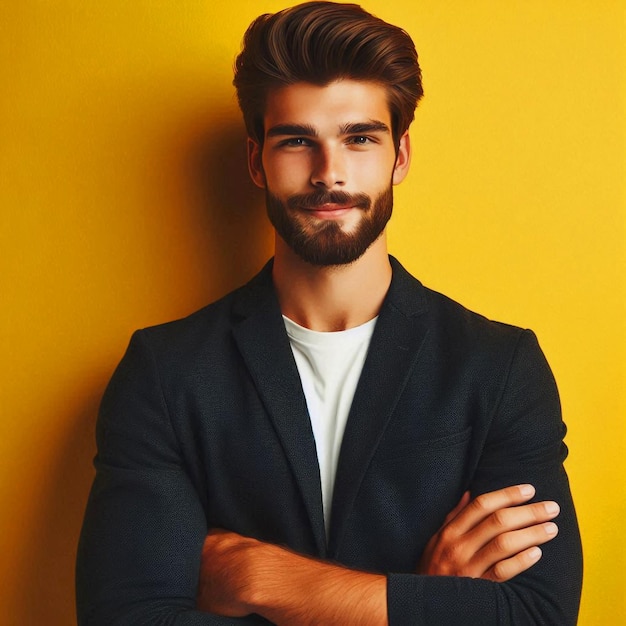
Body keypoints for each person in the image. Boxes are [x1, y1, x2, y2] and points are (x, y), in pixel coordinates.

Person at [76, 2, 583, 624]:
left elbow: (537, 614)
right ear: (257, 161)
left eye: (359, 138)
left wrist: (265, 579)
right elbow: (128, 616)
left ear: (399, 157)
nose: (329, 173)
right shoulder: (164, 373)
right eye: (296, 142)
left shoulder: (499, 366)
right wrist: (420, 600)